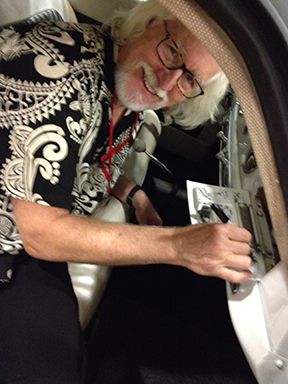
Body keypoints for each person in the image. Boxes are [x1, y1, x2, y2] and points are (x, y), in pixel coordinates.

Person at [0, 1, 252, 383]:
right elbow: (41, 231)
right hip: (16, 240)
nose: (166, 82)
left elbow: (79, 159)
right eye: (173, 51)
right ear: (145, 25)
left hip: (31, 245)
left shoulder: (125, 93)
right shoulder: (57, 63)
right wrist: (180, 246)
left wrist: (132, 191)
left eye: (189, 80)